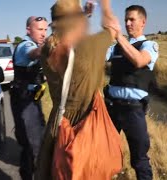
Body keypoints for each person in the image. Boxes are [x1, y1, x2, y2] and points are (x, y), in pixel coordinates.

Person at [34, 0, 121, 179]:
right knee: (86, 170)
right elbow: (113, 28)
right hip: (87, 127)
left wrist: (82, 15)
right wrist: (105, 5)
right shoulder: (89, 47)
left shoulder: (46, 51)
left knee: (56, 171)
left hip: (58, 125)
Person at [105, 5, 159, 180]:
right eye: (126, 19)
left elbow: (139, 60)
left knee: (139, 159)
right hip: (111, 108)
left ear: (143, 22)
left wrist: (118, 36)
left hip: (133, 112)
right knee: (104, 152)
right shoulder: (114, 48)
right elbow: (94, 56)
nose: (127, 23)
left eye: (132, 19)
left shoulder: (149, 45)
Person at [9, 16, 48, 180]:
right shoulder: (26, 45)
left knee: (38, 140)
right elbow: (34, 54)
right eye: (40, 29)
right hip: (24, 101)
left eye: (46, 30)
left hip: (32, 99)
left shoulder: (36, 44)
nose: (44, 33)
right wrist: (51, 44)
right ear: (28, 30)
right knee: (32, 146)